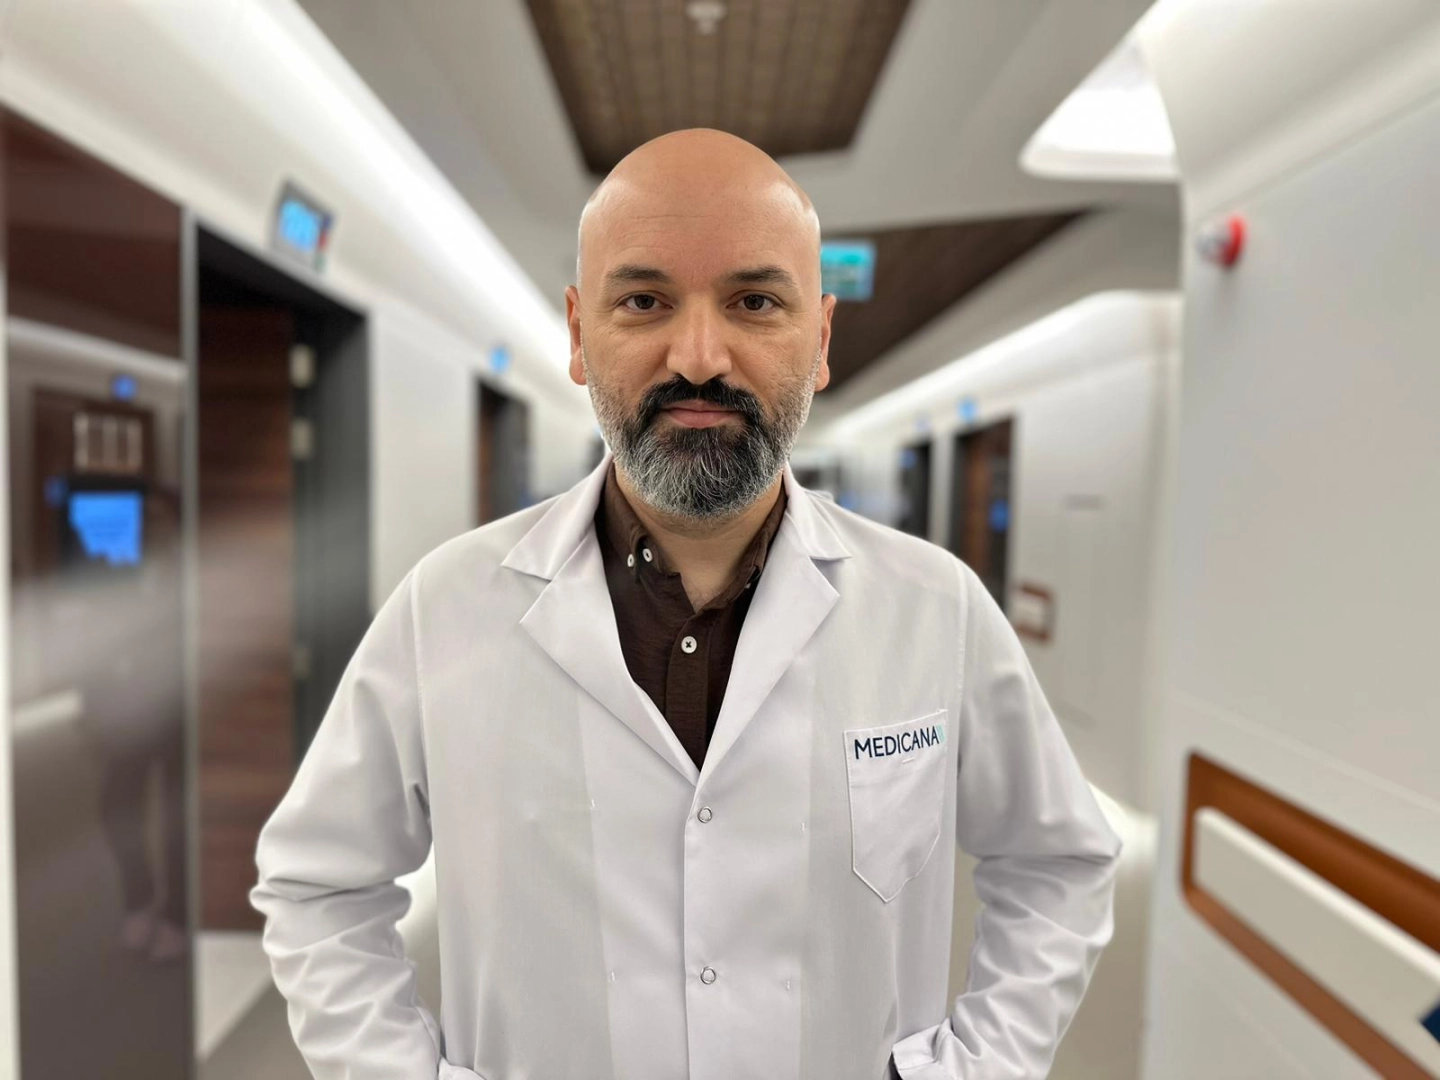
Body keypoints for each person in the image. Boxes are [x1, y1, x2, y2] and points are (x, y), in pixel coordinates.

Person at [251, 129, 1122, 1080]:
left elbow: (1058, 865)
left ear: (820, 340)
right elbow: (318, 886)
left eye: (755, 302)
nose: (700, 357)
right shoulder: (449, 605)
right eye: (645, 301)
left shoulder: (934, 608)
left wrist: (978, 1068)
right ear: (578, 334)